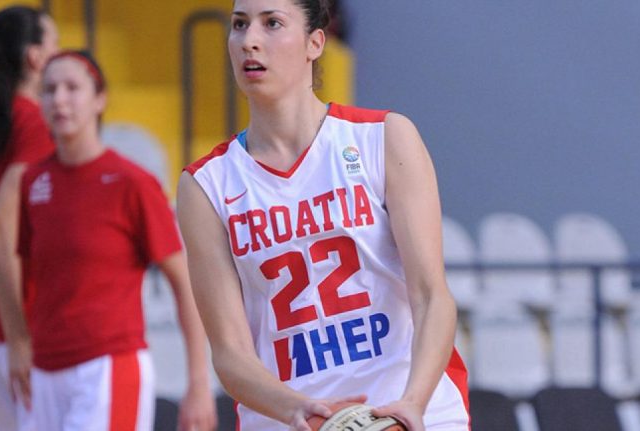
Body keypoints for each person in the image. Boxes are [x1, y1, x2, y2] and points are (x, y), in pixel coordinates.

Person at [176, 0, 470, 430]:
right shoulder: (206, 184)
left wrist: (412, 404)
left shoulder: (383, 137)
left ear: (315, 43)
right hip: (288, 418)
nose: (249, 41)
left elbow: (432, 297)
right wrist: (297, 408)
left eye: (271, 23)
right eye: (239, 25)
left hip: (408, 409)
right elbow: (230, 353)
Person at [14, 50, 217, 431]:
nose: (59, 99)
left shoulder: (132, 183)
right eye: (50, 89)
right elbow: (27, 276)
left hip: (107, 369)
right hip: (42, 372)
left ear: (100, 99)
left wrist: (199, 382)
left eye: (72, 87)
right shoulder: (33, 181)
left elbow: (184, 283)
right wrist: (18, 343)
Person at [0, 6, 58, 430]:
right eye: (56, 46)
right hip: (28, 334)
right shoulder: (36, 125)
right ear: (35, 57)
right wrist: (19, 337)